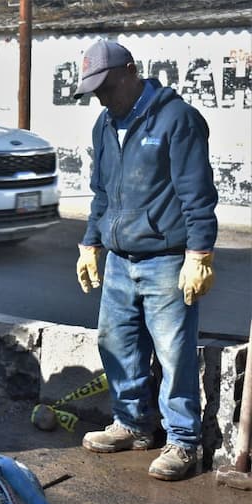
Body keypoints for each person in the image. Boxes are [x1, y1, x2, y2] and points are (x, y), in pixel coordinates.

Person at [73, 40, 218, 481]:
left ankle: (183, 442)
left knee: (174, 355)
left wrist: (199, 254)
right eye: (93, 89)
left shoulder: (177, 119)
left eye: (106, 86)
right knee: (117, 345)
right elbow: (101, 192)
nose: (100, 96)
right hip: (119, 258)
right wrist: (90, 242)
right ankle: (133, 425)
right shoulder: (104, 124)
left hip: (166, 260)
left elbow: (197, 194)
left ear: (131, 72)